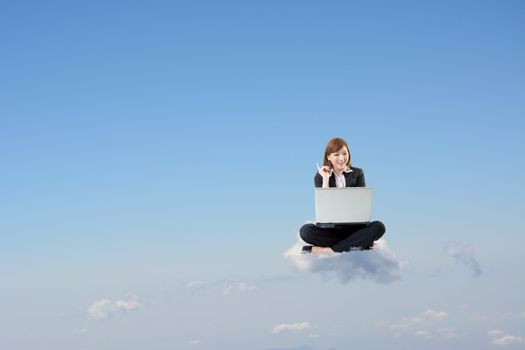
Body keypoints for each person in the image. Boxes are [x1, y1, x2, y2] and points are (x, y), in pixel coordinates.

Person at [300, 137, 386, 254]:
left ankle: (329, 250)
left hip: (354, 229)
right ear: (328, 157)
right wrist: (326, 179)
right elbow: (324, 207)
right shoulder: (320, 176)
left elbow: (361, 203)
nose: (341, 158)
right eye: (336, 155)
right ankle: (358, 244)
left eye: (345, 154)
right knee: (306, 231)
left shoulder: (357, 173)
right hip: (331, 230)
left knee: (379, 227)